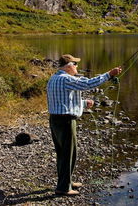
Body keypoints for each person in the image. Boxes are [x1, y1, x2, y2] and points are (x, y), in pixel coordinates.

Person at [47, 54, 122, 196]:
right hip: (66, 121)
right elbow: (87, 84)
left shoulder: (54, 78)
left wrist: (83, 103)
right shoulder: (66, 79)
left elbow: (61, 101)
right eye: (75, 65)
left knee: (63, 153)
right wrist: (109, 74)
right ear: (69, 66)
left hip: (55, 120)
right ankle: (63, 188)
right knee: (69, 153)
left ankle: (67, 181)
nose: (77, 67)